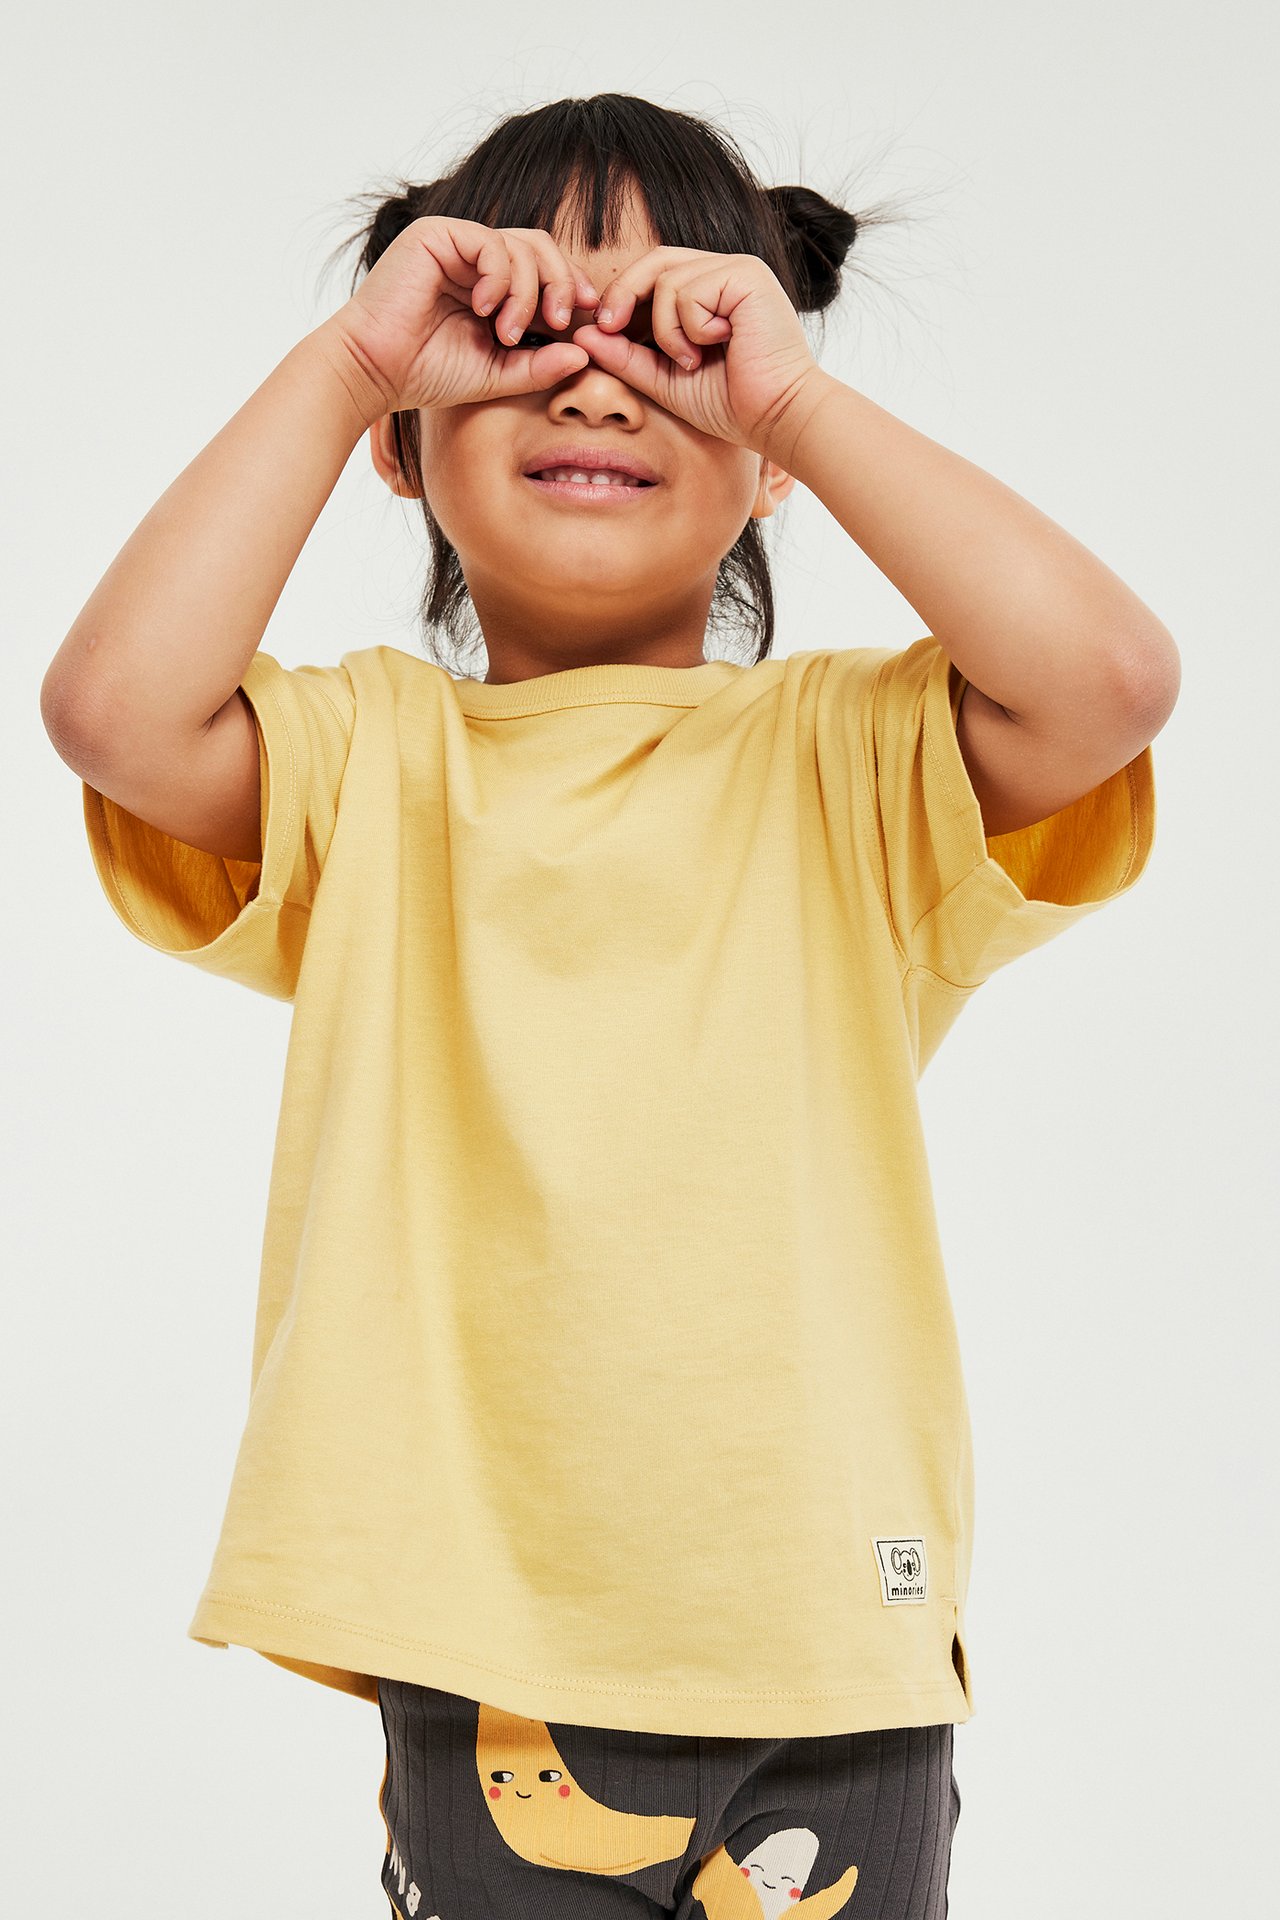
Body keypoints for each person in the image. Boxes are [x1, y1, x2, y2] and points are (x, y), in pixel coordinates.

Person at [40, 91, 1177, 1920]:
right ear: (406, 446)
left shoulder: (853, 753)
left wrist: (792, 392)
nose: (591, 384)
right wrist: (353, 359)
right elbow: (114, 709)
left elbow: (1111, 680)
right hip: (488, 1640)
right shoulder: (367, 760)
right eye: (516, 339)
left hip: (830, 1637)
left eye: (667, 335)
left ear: (766, 449)